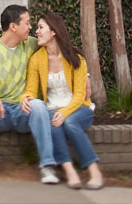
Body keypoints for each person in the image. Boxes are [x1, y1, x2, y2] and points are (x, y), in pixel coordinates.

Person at [0, 4, 59, 183]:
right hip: (0, 113)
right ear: (13, 26)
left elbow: (59, 48)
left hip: (23, 111)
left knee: (39, 105)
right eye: (27, 23)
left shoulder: (31, 44)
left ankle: (47, 166)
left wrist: (85, 74)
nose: (31, 27)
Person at [21, 13, 104, 190]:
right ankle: (69, 171)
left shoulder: (76, 58)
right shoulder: (37, 59)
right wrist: (25, 97)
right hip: (52, 108)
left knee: (70, 123)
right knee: (53, 123)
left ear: (54, 32)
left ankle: (94, 171)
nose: (37, 31)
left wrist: (64, 112)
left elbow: (80, 95)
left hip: (79, 108)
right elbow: (30, 89)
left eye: (41, 27)